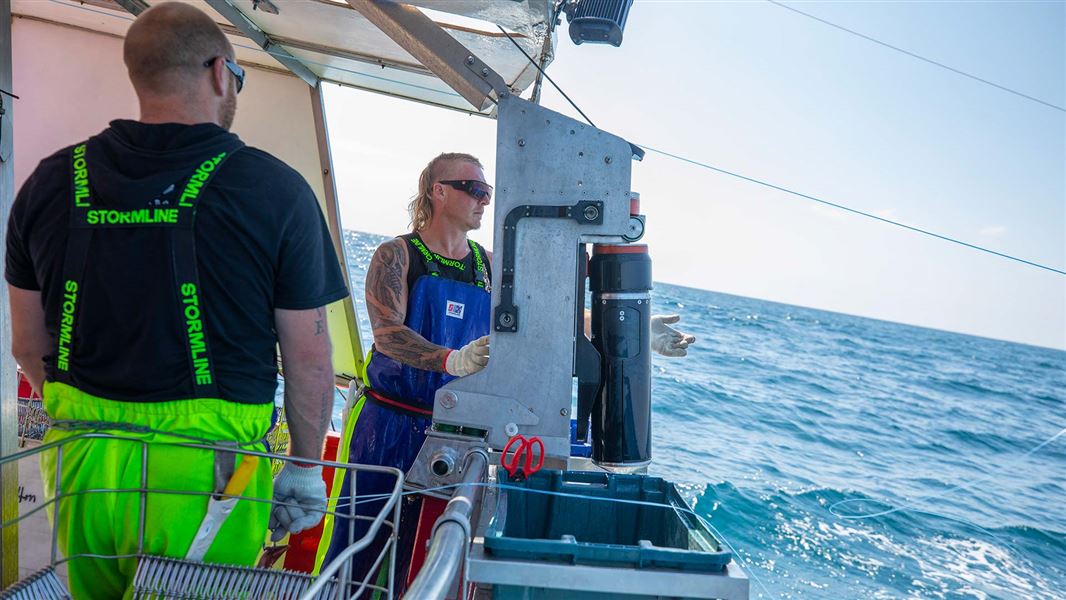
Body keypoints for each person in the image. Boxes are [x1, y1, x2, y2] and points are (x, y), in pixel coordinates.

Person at [5, 3, 346, 597]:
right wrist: (305, 468)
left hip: (81, 461)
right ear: (220, 73)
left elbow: (27, 345)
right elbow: (310, 359)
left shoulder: (48, 181)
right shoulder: (274, 190)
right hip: (207, 473)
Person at [318, 152, 696, 588]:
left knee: (422, 556)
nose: (484, 200)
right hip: (385, 422)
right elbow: (387, 335)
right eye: (474, 190)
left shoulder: (490, 265)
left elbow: (555, 316)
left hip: (453, 431)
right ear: (439, 191)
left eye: (488, 192)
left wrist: (633, 326)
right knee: (356, 544)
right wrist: (450, 359)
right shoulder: (397, 255)